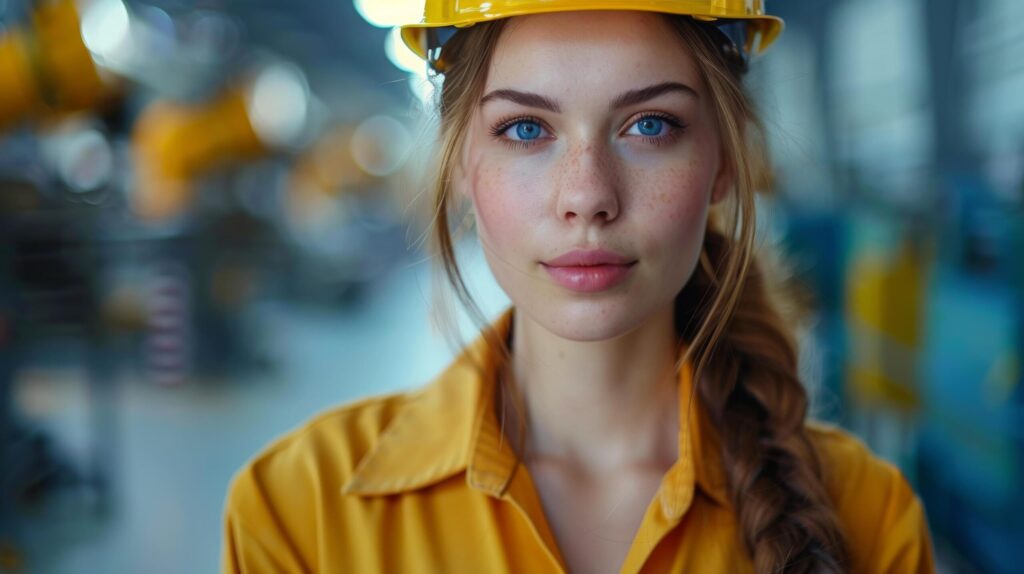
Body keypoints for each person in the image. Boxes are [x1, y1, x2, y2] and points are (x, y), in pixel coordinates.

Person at [222, 1, 936, 572]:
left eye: (650, 124)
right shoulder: (299, 511)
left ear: (723, 159)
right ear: (463, 165)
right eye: (527, 128)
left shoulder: (870, 516)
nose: (587, 195)